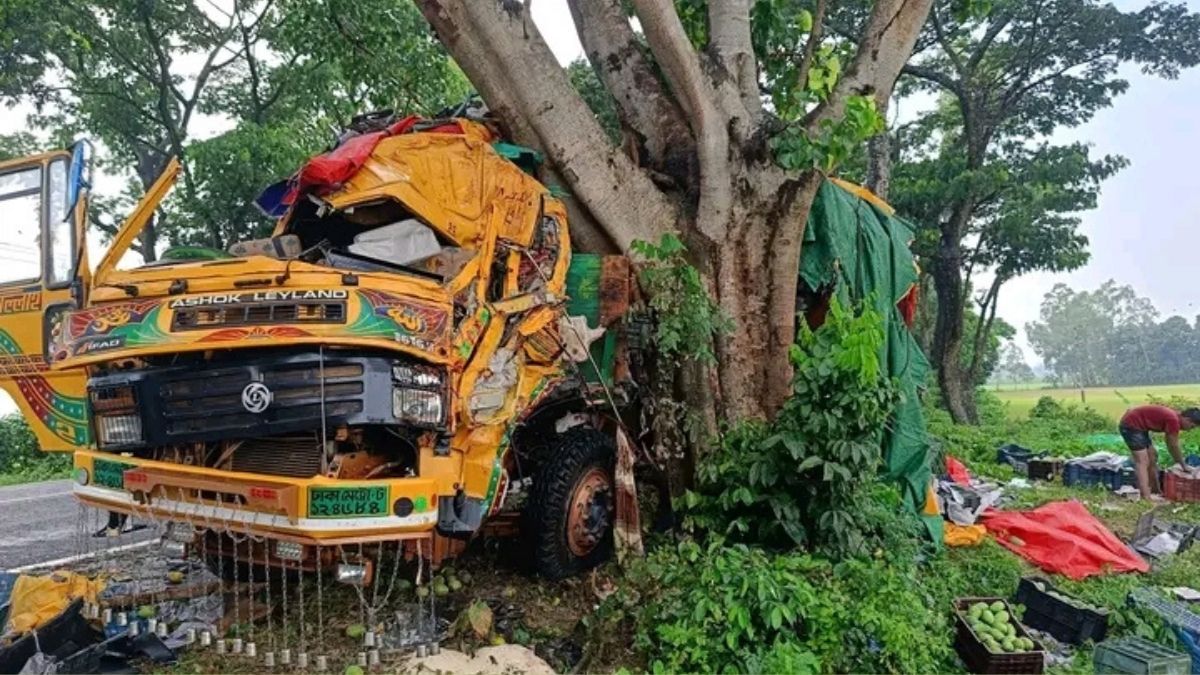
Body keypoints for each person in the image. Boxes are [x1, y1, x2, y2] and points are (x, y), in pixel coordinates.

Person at [1118, 405, 1200, 499]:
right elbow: (1173, 445)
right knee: (1142, 461)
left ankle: (1155, 490)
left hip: (1140, 427)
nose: (1189, 430)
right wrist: (1183, 465)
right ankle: (1146, 497)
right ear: (1187, 419)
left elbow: (1172, 445)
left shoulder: (1174, 417)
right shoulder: (1173, 420)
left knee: (1153, 457)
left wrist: (1181, 463)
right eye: (1192, 426)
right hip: (1130, 425)